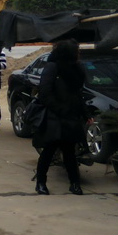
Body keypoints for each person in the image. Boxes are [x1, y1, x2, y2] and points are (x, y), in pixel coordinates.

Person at [32, 39, 88, 196]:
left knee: (70, 151)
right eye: (76, 51)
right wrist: (59, 109)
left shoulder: (77, 68)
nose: (78, 54)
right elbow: (44, 92)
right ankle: (41, 183)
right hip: (55, 116)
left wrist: (85, 113)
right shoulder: (53, 67)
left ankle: (74, 183)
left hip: (72, 115)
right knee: (49, 150)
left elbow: (78, 93)